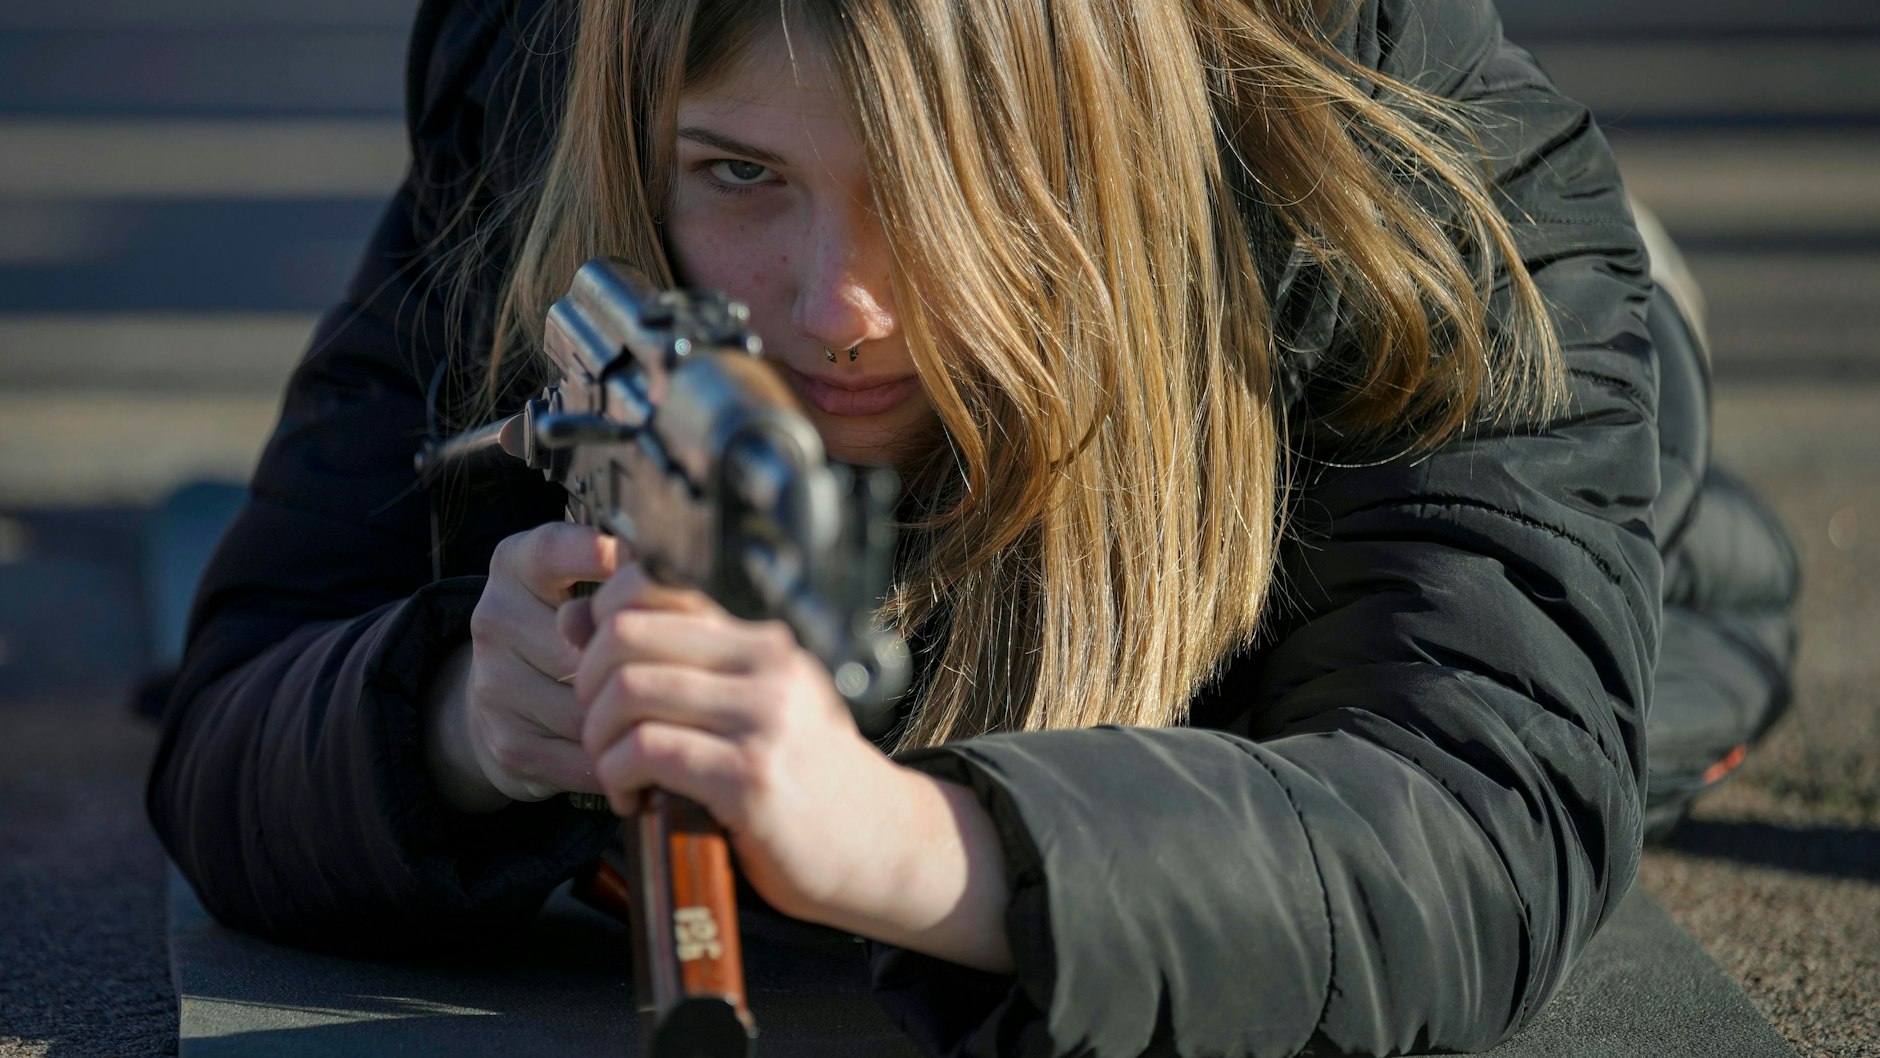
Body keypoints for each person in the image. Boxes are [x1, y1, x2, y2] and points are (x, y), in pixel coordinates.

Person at [146, 0, 1797, 1053]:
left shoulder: (1405, 167)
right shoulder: (545, 78)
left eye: (952, 186)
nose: (837, 304)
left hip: (1479, 339)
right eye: (737, 174)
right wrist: (459, 721)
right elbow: (242, 697)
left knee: (1657, 555)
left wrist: (905, 843)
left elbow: (1479, 815)